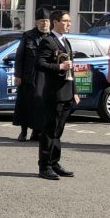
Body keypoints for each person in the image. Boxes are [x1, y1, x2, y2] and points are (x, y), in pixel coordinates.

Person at [35, 10, 78, 180]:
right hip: (53, 93)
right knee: (49, 131)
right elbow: (39, 64)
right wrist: (59, 67)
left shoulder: (65, 41)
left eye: (69, 21)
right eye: (66, 21)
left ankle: (54, 162)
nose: (69, 24)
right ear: (55, 22)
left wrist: (74, 91)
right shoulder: (47, 41)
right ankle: (44, 166)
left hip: (66, 92)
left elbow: (71, 67)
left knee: (58, 132)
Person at [14, 8, 50, 142]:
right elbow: (19, 56)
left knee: (40, 106)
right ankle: (23, 132)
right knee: (25, 105)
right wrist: (18, 75)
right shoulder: (28, 36)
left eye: (47, 21)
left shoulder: (52, 37)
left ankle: (37, 132)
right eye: (42, 21)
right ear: (36, 22)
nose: (45, 24)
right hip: (28, 76)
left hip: (44, 77)